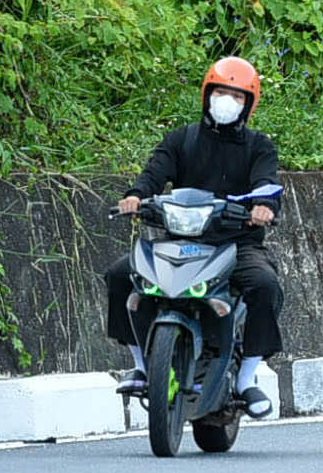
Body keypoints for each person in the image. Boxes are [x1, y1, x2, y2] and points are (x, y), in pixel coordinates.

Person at [106, 57, 286, 418]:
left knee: (265, 285)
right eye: (220, 92)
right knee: (119, 275)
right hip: (177, 242)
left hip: (236, 244)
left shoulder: (258, 146)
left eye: (236, 96)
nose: (226, 100)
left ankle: (246, 379)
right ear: (207, 95)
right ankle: (142, 365)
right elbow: (153, 174)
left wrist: (264, 206)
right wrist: (136, 196)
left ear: (248, 104)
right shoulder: (181, 139)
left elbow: (267, 185)